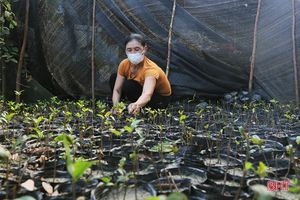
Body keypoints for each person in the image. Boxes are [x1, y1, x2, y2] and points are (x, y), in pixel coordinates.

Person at [110, 33, 172, 115]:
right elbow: (117, 89)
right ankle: (122, 106)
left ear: (144, 49)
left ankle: (135, 107)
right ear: (125, 50)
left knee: (128, 85)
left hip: (159, 99)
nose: (133, 53)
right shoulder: (124, 64)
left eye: (137, 49)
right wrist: (116, 106)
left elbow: (147, 94)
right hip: (140, 89)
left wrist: (137, 105)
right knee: (114, 78)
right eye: (129, 50)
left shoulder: (151, 69)